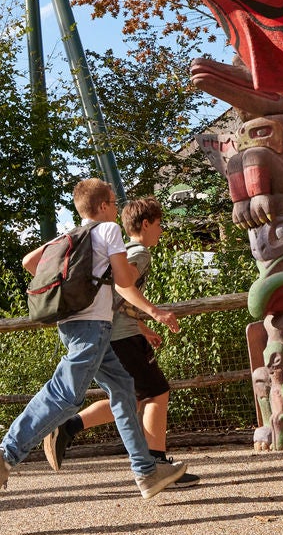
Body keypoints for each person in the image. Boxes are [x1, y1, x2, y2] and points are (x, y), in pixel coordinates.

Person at [0, 179, 187, 513]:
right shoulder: (108, 232)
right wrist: (143, 300)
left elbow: (30, 262)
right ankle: (6, 455)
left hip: (70, 323)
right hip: (94, 327)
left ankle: (147, 472)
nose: (117, 209)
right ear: (103, 206)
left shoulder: (69, 236)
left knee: (123, 388)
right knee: (65, 395)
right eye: (114, 203)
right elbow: (124, 281)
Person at [41, 196, 197, 486]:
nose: (161, 231)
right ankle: (156, 463)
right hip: (120, 338)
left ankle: (68, 426)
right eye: (159, 224)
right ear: (146, 223)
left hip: (116, 334)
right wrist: (155, 313)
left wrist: (141, 327)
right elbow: (121, 289)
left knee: (133, 398)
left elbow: (113, 300)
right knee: (157, 393)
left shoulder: (124, 251)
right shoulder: (138, 253)